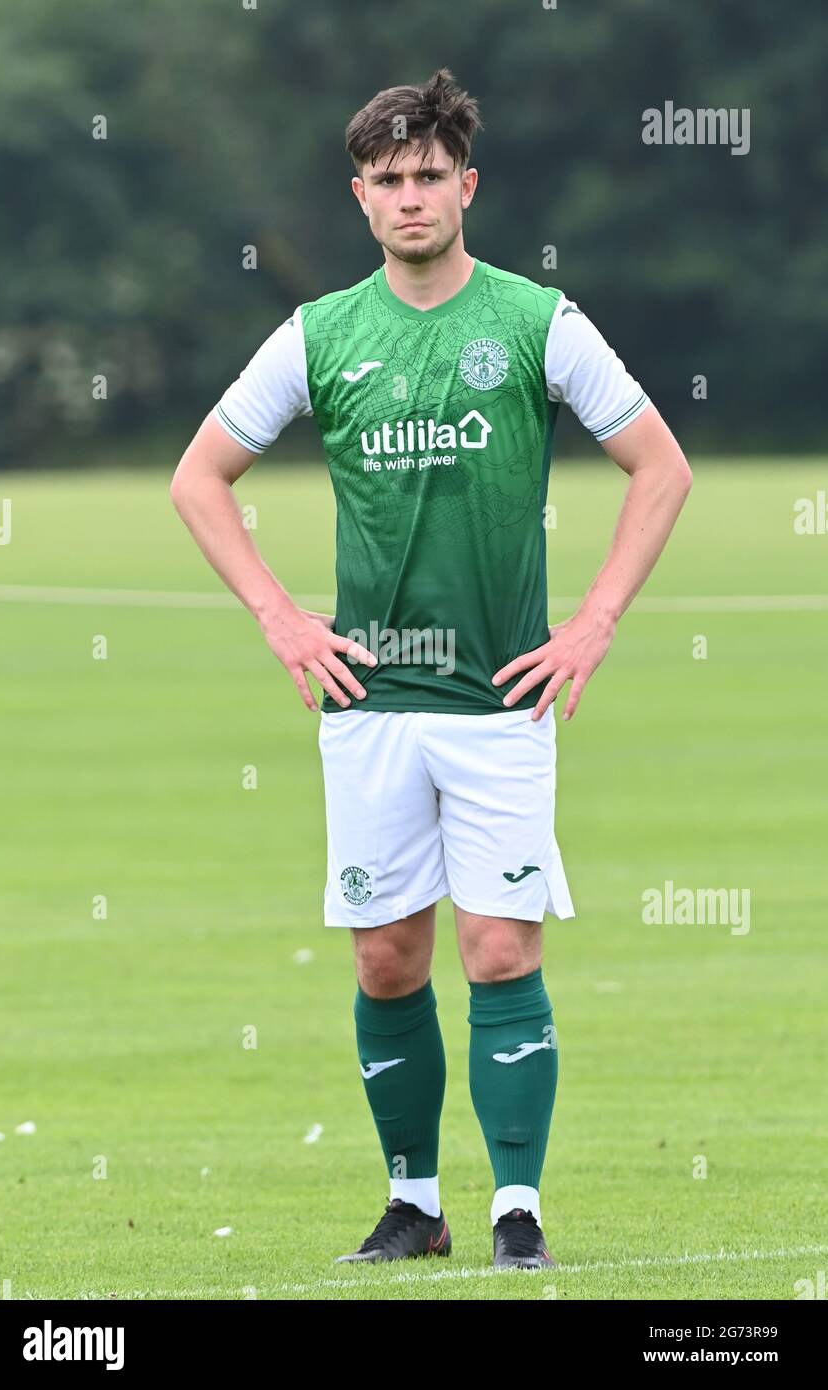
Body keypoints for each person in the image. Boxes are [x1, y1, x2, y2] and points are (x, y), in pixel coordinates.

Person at [170, 67, 692, 1271]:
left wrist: (596, 620)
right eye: (388, 181)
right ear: (362, 198)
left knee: (500, 949)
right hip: (368, 703)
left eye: (429, 176)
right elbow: (200, 477)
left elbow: (659, 467)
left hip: (502, 701)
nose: (411, 198)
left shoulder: (536, 321)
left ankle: (518, 1212)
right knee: (385, 956)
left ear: (468, 184)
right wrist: (280, 617)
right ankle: (415, 1204)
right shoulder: (319, 333)